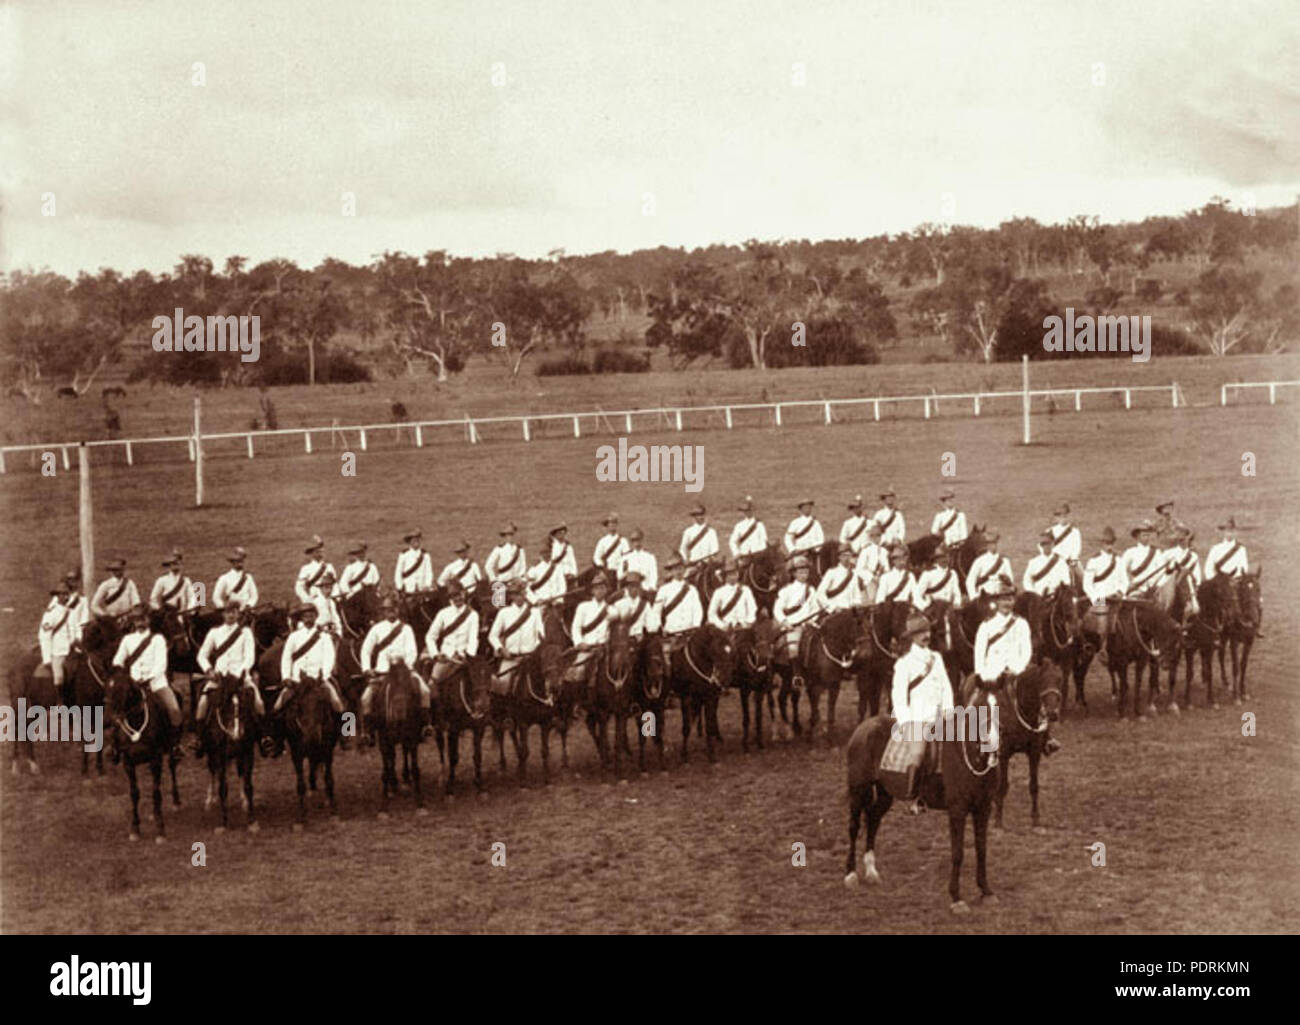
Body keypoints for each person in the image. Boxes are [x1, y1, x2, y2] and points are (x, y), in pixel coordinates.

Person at [890, 612, 955, 813]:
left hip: (939, 714)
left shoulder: (937, 658)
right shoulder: (904, 663)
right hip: (917, 716)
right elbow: (898, 696)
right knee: (918, 752)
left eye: (926, 631)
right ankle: (915, 796)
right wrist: (906, 722)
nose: (925, 636)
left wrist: (948, 709)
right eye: (920, 633)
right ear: (911, 637)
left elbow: (946, 685)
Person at [110, 604, 183, 759]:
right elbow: (118, 658)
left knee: (174, 708)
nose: (140, 623)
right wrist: (120, 671)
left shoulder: (158, 639)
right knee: (116, 709)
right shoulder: (127, 639)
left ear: (148, 620)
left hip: (156, 684)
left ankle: (175, 745)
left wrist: (148, 679)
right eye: (136, 620)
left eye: (142, 619)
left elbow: (161, 663)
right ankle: (115, 746)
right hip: (133, 685)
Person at [272, 603, 347, 754]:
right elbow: (286, 658)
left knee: (339, 704)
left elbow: (329, 657)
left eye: (311, 615)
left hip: (318, 679)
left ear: (315, 617)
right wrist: (286, 676)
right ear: (301, 618)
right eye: (306, 616)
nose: (308, 618)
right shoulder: (293, 637)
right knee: (277, 706)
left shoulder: (324, 637)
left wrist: (324, 675)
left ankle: (346, 735)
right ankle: (277, 742)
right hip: (297, 681)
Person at [192, 601, 262, 758]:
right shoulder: (214, 632)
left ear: (238, 614)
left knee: (258, 703)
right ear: (223, 614)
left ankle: (264, 738)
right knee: (203, 703)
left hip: (241, 676)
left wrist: (242, 672)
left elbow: (250, 656)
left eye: (234, 612)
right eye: (228, 612)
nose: (231, 615)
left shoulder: (246, 632)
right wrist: (208, 670)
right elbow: (202, 655)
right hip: (219, 677)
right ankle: (199, 739)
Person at [358, 597, 426, 744]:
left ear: (398, 610)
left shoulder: (407, 628)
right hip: (383, 672)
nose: (391, 613)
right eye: (387, 610)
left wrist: (407, 665)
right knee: (365, 698)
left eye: (393, 609)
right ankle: (367, 733)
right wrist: (367, 668)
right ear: (383, 612)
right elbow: (366, 650)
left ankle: (424, 726)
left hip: (404, 671)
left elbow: (412, 650)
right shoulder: (376, 629)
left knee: (425, 691)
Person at [488, 580, 546, 693]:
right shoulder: (504, 613)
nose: (519, 597)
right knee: (500, 688)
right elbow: (492, 636)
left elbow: (541, 635)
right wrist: (500, 648)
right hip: (511, 659)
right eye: (515, 594)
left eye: (521, 593)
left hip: (530, 659)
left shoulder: (535, 612)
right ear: (511, 596)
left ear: (525, 594)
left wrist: (535, 652)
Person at [1082, 526, 1127, 662]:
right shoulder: (1093, 561)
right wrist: (1096, 598)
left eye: (1111, 543)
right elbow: (1087, 584)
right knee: (1102, 621)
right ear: (1102, 544)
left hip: (1116, 596)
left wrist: (1120, 592)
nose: (1109, 546)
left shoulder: (1119, 560)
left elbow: (1124, 580)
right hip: (1100, 597)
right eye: (1107, 543)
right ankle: (1103, 649)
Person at [773, 554, 818, 687]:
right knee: (793, 647)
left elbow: (815, 608)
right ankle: (796, 675)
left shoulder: (811, 589)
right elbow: (777, 609)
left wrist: (812, 620)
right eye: (800, 572)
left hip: (808, 624)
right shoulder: (786, 591)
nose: (804, 575)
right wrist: (785, 623)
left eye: (806, 572)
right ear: (794, 574)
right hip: (792, 625)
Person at [426, 582, 480, 686]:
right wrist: (436, 655)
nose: (457, 599)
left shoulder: (473, 615)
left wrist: (468, 655)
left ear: (463, 594)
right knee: (432, 684)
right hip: (447, 657)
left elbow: (473, 639)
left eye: (459, 595)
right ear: (450, 598)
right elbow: (430, 637)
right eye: (453, 596)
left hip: (464, 657)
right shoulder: (443, 613)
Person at [567, 572, 612, 695]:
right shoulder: (583, 607)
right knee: (577, 673)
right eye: (597, 588)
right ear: (592, 591)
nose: (600, 591)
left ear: (607, 590)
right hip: (587, 648)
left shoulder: (611, 609)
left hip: (604, 649)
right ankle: (578, 704)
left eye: (602, 588)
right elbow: (575, 627)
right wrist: (580, 643)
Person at [653, 554, 703, 664]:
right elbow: (656, 612)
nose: (678, 572)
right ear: (671, 571)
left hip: (689, 634)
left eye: (680, 568)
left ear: (685, 569)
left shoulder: (692, 589)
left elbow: (697, 610)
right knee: (666, 666)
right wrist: (660, 628)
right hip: (671, 634)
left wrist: (695, 625)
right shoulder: (664, 590)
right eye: (675, 569)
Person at [38, 581, 86, 693]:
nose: (65, 597)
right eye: (62, 594)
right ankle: (60, 701)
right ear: (57, 596)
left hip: (73, 650)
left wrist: (78, 638)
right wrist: (47, 658)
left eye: (67, 594)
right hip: (58, 651)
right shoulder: (51, 614)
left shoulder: (71, 612)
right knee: (59, 677)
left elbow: (77, 627)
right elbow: (45, 636)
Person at [965, 531, 1013, 611]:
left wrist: (1006, 580)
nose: (992, 546)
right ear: (986, 545)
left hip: (1000, 596)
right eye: (990, 544)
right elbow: (970, 581)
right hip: (984, 597)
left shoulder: (1004, 561)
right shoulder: (979, 561)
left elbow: (1011, 580)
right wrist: (974, 597)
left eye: (994, 543)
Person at [708, 559, 758, 630]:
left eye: (735, 572)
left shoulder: (746, 590)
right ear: (725, 576)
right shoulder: (719, 592)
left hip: (744, 628)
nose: (734, 576)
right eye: (730, 574)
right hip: (727, 628)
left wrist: (749, 621)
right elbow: (712, 614)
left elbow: (752, 608)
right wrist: (722, 625)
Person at [913, 545, 963, 613]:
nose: (944, 559)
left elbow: (957, 594)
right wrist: (924, 607)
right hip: (933, 610)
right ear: (936, 559)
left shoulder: (952, 574)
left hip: (949, 609)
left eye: (947, 556)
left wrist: (957, 603)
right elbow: (916, 595)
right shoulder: (928, 574)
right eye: (941, 557)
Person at [1023, 530, 1071, 597]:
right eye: (1042, 544)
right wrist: (1033, 593)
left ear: (1053, 543)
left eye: (1048, 543)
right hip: (1038, 597)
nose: (1045, 546)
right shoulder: (1033, 562)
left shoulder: (1061, 562)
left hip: (1056, 597)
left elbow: (1066, 581)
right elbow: (1027, 581)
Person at [815, 544, 862, 612]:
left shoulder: (853, 574)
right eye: (843, 555)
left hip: (851, 612)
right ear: (839, 557)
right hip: (836, 612)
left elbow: (857, 593)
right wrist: (833, 607)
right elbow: (820, 594)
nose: (846, 558)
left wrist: (857, 603)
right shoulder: (832, 572)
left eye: (849, 555)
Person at [1123, 520, 1164, 597]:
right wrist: (1128, 584)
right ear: (1137, 537)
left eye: (1148, 535)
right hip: (1136, 589)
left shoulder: (1156, 552)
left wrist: (1158, 585)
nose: (1147, 538)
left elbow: (1162, 572)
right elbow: (1121, 571)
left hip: (1154, 590)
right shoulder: (1130, 552)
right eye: (1144, 535)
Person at [679, 504, 719, 574]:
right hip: (693, 564)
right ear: (694, 517)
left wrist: (710, 559)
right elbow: (683, 548)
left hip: (708, 565)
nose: (701, 517)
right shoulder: (688, 532)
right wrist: (685, 560)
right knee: (685, 580)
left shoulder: (711, 531)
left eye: (702, 514)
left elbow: (715, 549)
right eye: (698, 515)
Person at [295, 536, 336, 605]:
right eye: (317, 552)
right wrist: (308, 600)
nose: (320, 553)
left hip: (330, 599)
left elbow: (335, 583)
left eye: (322, 551)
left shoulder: (329, 566)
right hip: (315, 600)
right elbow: (299, 587)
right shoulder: (306, 568)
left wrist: (335, 596)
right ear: (312, 554)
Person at [855, 521, 889, 603]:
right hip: (869, 581)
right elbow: (859, 570)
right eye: (874, 536)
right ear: (870, 537)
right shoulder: (866, 551)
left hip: (882, 580)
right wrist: (872, 578)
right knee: (872, 601)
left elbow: (887, 568)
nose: (876, 538)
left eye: (878, 535)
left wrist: (883, 576)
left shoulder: (884, 551)